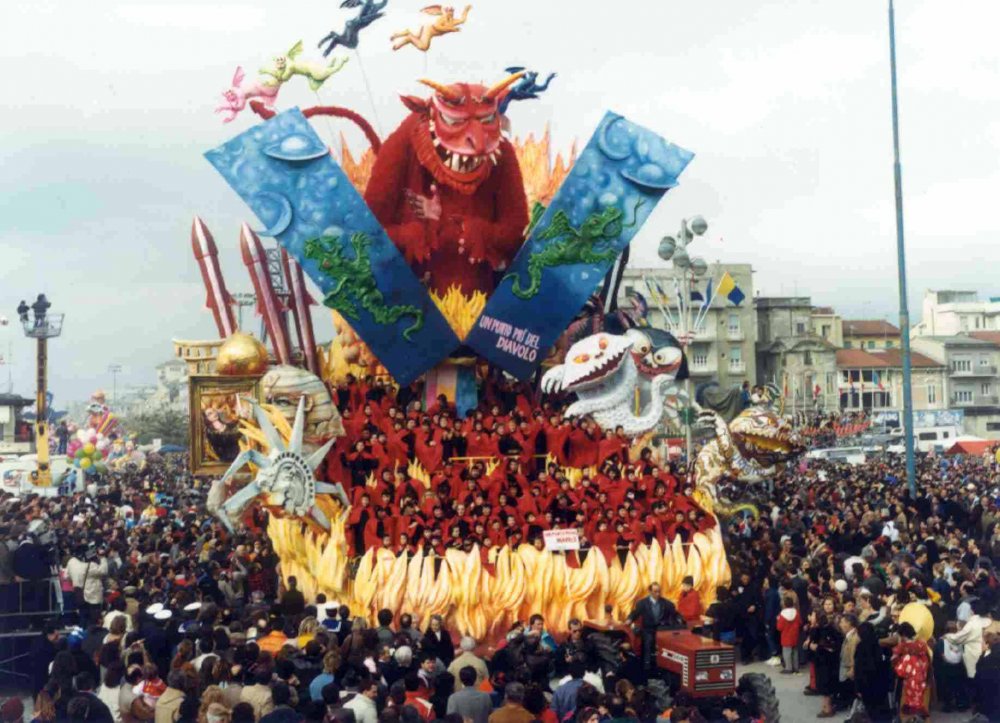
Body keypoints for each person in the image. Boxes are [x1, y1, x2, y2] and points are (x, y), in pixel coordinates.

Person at [627, 583, 681, 671]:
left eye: (659, 591)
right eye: (655, 592)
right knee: (648, 643)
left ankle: (665, 667)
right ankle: (647, 668)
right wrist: (629, 619)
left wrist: (680, 618)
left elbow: (674, 612)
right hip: (648, 629)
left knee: (668, 645)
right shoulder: (642, 603)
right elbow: (635, 613)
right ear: (650, 592)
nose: (658, 594)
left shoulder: (666, 603)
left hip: (661, 630)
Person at [891, 622, 930, 720]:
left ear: (903, 635)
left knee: (908, 698)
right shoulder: (922, 643)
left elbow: (895, 661)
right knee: (920, 696)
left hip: (909, 677)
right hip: (922, 673)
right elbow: (927, 658)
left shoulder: (903, 646)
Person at [775, 595, 801, 674]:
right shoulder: (796, 613)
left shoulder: (782, 615)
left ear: (784, 605)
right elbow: (800, 623)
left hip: (786, 636)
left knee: (787, 652)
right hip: (795, 635)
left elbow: (779, 627)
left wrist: (778, 619)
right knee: (795, 652)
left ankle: (788, 668)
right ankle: (795, 667)